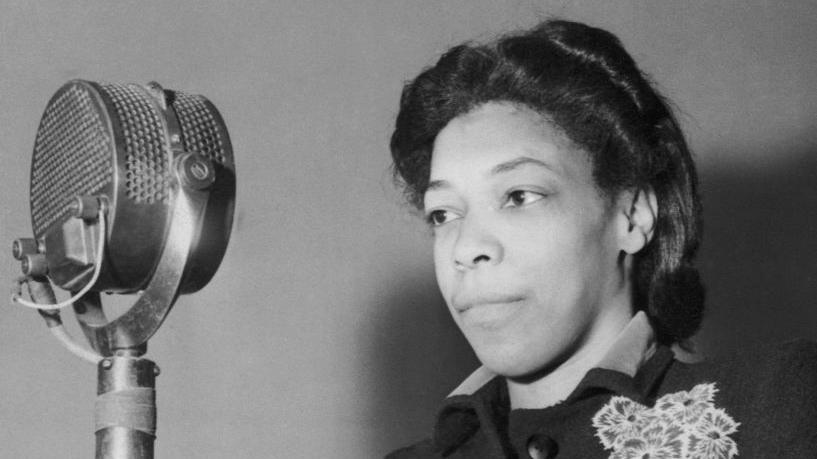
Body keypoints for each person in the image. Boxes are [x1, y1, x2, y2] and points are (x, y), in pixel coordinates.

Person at [386, 19, 817, 458]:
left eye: (519, 196)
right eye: (442, 214)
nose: (466, 248)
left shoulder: (778, 404)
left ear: (632, 217)